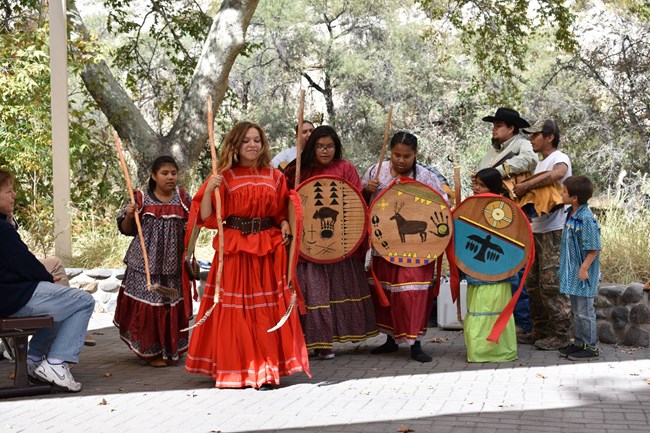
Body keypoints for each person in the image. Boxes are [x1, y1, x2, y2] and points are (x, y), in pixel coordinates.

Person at [185, 121, 310, 389]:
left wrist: (286, 223)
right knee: (236, 311)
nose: (253, 145)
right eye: (246, 141)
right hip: (235, 250)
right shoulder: (224, 177)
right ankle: (235, 369)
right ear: (235, 145)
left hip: (266, 249)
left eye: (257, 140)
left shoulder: (276, 177)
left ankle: (264, 369)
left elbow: (280, 212)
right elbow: (205, 216)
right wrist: (209, 188)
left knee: (263, 311)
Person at [283, 125, 378, 360]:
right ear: (312, 146)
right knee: (312, 292)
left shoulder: (345, 168)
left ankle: (327, 343)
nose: (325, 151)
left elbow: (355, 200)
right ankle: (311, 342)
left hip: (340, 243)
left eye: (330, 147)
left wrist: (366, 193)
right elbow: (283, 202)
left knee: (334, 292)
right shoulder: (296, 170)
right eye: (320, 146)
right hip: (307, 244)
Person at [0, 168, 95, 392]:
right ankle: (57, 361)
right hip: (13, 298)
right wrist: (47, 279)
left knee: (64, 303)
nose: (14, 195)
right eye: (9, 191)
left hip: (10, 295)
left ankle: (34, 360)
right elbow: (24, 263)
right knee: (82, 301)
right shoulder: (2, 230)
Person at [362, 131, 447, 363]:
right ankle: (391, 339)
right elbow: (362, 204)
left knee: (413, 292)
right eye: (397, 155)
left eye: (406, 156)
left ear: (415, 154)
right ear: (390, 153)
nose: (401, 160)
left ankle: (415, 343)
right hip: (385, 244)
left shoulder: (427, 177)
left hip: (418, 249)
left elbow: (442, 205)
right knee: (389, 291)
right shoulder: (375, 171)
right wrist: (367, 191)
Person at [115, 156, 192, 367]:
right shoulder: (140, 199)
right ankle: (152, 353)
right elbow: (126, 230)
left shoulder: (183, 199)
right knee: (150, 307)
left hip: (172, 267)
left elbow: (194, 225)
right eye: (164, 173)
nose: (170, 177)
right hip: (145, 266)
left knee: (169, 306)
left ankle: (171, 349)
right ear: (153, 176)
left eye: (173, 173)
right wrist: (130, 215)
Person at [515, 120, 573, 350]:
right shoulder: (540, 164)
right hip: (536, 229)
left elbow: (558, 174)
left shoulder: (560, 158)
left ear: (549, 137)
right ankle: (540, 330)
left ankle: (561, 335)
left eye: (535, 135)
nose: (531, 139)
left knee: (551, 284)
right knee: (532, 284)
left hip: (555, 231)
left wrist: (527, 186)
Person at [478, 108, 538, 335]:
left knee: (515, 270)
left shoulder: (521, 145)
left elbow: (531, 159)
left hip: (513, 216)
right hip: (491, 217)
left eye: (498, 125)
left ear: (511, 128)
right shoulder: (490, 153)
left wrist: (502, 170)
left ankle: (522, 323)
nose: (494, 129)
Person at [462, 167, 519, 362]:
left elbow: (514, 239)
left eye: (482, 185)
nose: (476, 188)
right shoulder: (470, 206)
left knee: (496, 308)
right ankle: (479, 350)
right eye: (475, 184)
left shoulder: (506, 210)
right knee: (478, 309)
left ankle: (499, 350)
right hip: (476, 270)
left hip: (500, 270)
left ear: (492, 187)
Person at [557, 176, 601, 360]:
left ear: (574, 197)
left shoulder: (586, 218)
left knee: (585, 311)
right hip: (573, 271)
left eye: (564, 191)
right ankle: (579, 343)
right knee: (577, 310)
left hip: (583, 274)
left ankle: (590, 347)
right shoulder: (571, 213)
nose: (561, 193)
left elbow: (593, 248)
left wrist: (584, 269)